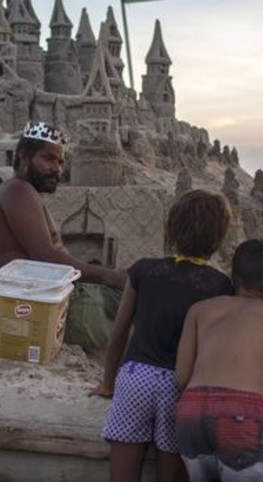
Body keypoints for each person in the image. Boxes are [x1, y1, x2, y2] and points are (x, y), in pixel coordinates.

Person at [91, 190, 235, 482]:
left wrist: (108, 384)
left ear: (172, 227)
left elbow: (118, 335)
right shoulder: (220, 286)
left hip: (135, 378)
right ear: (218, 236)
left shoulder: (144, 270)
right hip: (182, 389)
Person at [0, 121, 125, 351]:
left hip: (40, 298)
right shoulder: (18, 191)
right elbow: (46, 255)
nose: (57, 169)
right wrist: (112, 277)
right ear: (23, 155)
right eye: (49, 159)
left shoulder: (14, 191)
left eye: (61, 162)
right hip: (43, 305)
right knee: (146, 315)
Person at [174, 239, 263, 481]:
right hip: (242, 417)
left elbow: (182, 377)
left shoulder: (200, 310)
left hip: (191, 414)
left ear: (233, 277)